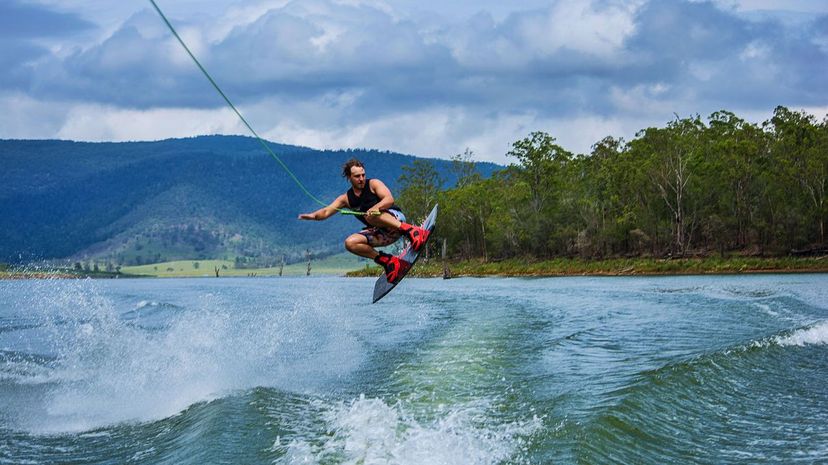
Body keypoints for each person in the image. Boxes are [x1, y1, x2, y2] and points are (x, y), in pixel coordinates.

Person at [298, 158, 429, 283]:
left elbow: (389, 199)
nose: (361, 179)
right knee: (350, 243)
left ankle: (413, 231)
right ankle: (387, 261)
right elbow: (326, 212)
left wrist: (375, 208)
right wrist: (313, 216)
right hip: (383, 234)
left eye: (363, 175)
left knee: (370, 216)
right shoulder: (346, 199)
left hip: (396, 221)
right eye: (357, 176)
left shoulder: (373, 184)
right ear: (349, 177)